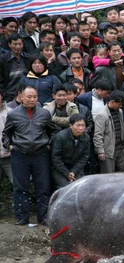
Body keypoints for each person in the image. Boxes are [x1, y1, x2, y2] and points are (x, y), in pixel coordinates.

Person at [2, 86, 55, 225]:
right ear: (21, 97)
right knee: (20, 187)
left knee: (43, 186)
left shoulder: (44, 113)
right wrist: (9, 146)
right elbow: (6, 134)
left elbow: (52, 131)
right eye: (29, 97)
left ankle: (43, 217)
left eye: (35, 97)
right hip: (20, 154)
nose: (32, 99)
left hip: (40, 154)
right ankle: (22, 217)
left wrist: (49, 144)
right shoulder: (13, 114)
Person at [93, 90, 124, 174]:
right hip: (108, 150)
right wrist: (100, 151)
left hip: (120, 148)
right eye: (119, 104)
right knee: (108, 175)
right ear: (113, 102)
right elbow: (98, 135)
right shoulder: (101, 115)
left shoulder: (120, 112)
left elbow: (122, 128)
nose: (121, 106)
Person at [50, 114, 90, 189]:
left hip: (76, 168)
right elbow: (55, 159)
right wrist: (67, 173)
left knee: (83, 187)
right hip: (60, 168)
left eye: (83, 125)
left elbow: (84, 157)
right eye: (78, 125)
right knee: (66, 188)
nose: (81, 128)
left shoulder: (86, 137)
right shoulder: (60, 137)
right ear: (71, 125)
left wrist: (73, 172)